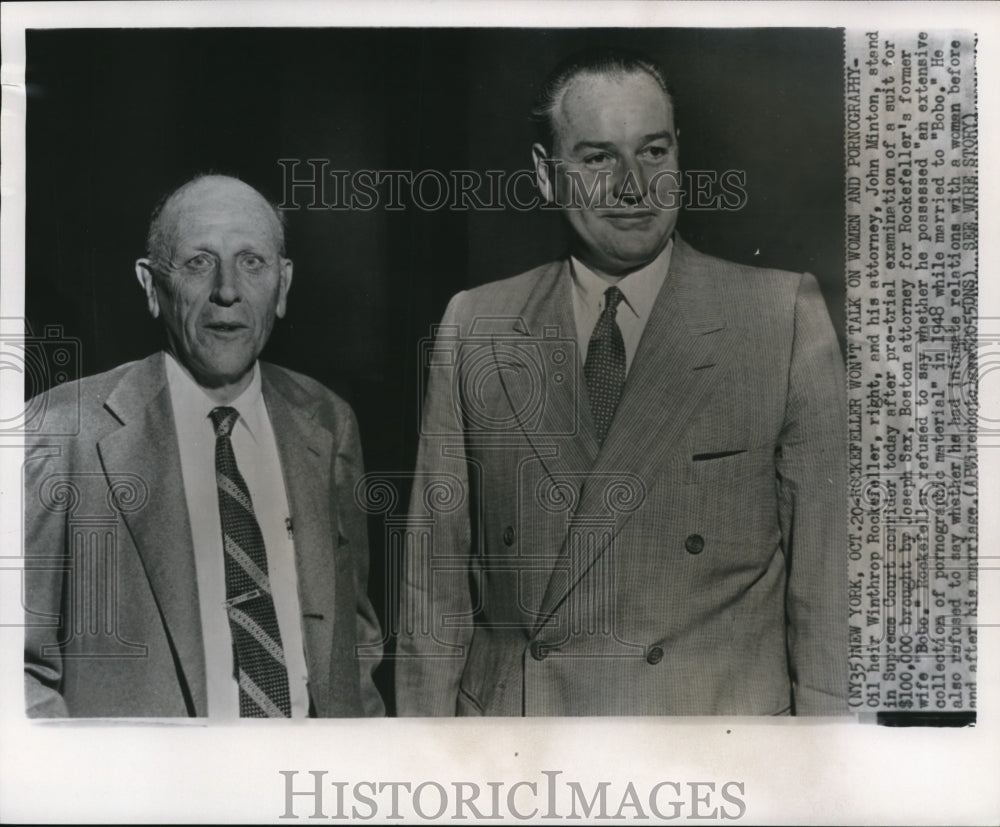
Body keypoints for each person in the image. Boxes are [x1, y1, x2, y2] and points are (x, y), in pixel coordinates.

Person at [396, 48, 847, 716]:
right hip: (521, 755)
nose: (634, 185)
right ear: (547, 176)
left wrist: (821, 772)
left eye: (654, 151)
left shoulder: (779, 318)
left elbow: (827, 589)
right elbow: (434, 588)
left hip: (710, 758)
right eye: (598, 158)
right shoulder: (477, 324)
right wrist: (422, 768)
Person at [23, 174, 384, 718]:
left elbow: (352, 647)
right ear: (151, 285)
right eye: (198, 262)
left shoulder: (329, 423)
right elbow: (16, 672)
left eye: (252, 262)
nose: (227, 290)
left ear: (283, 285)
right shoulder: (64, 431)